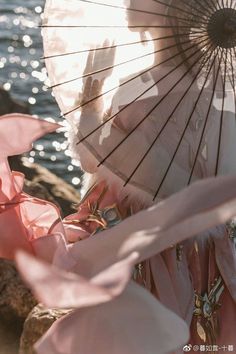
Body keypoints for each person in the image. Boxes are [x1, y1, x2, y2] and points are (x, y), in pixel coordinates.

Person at [68, 0, 236, 350]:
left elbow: (98, 157)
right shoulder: (222, 96)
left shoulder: (138, 92)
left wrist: (90, 95)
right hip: (203, 256)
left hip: (147, 255)